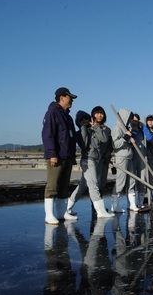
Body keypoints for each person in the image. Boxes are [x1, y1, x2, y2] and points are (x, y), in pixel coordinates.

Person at [66, 109, 114, 219]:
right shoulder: (80, 133)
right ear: (77, 122)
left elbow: (104, 139)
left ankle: (67, 208)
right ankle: (101, 211)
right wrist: (83, 128)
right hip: (87, 160)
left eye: (86, 118)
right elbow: (84, 144)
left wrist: (96, 128)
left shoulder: (96, 129)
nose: (84, 120)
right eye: (81, 119)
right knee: (93, 184)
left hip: (97, 161)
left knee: (82, 186)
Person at [42, 87, 78, 224]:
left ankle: (62, 213)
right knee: (53, 185)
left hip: (66, 156)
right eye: (70, 98)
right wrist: (52, 154)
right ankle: (49, 215)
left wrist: (72, 156)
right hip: (56, 156)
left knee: (64, 185)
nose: (72, 101)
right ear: (62, 97)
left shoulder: (67, 117)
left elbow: (70, 138)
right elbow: (48, 135)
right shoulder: (52, 113)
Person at [111, 108, 135, 213]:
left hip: (129, 157)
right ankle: (114, 205)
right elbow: (114, 145)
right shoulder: (117, 128)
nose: (130, 120)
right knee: (120, 181)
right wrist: (125, 138)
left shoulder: (127, 128)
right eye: (129, 118)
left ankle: (132, 204)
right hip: (121, 157)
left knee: (132, 180)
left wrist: (129, 140)